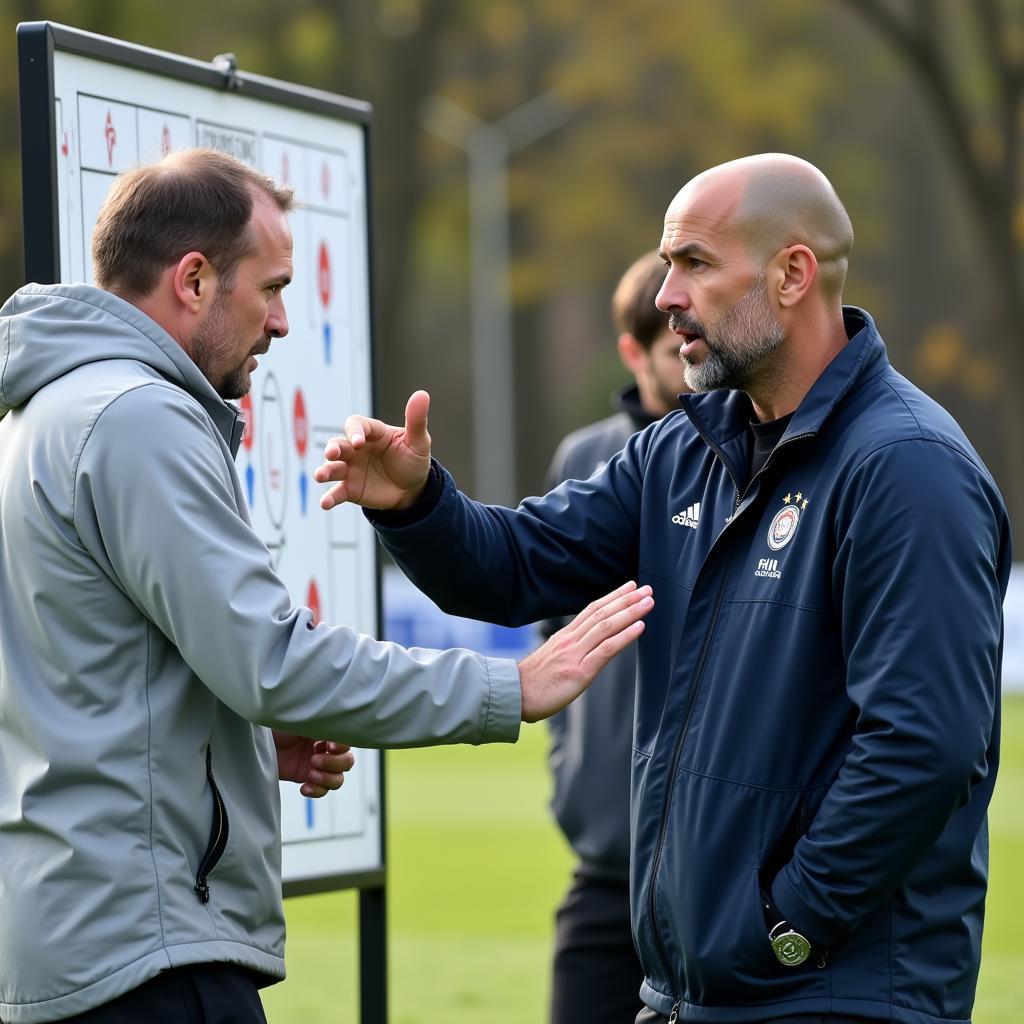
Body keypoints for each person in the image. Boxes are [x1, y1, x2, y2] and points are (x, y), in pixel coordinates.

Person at [316, 153, 1011, 1024]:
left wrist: (791, 923)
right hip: (689, 996)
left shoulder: (908, 469)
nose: (665, 297)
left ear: (793, 274)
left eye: (694, 263)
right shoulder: (682, 450)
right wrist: (419, 502)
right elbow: (516, 565)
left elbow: (925, 744)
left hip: (835, 995)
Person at [0, 148, 654, 1024]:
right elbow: (271, 662)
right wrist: (511, 687)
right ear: (193, 280)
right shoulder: (138, 417)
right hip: (146, 954)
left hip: (77, 929)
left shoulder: (45, 411)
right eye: (269, 289)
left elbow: (76, 685)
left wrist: (233, 750)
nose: (279, 323)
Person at [541, 250, 686, 1024]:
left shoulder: (756, 455)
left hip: (708, 877)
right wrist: (574, 775)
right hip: (605, 863)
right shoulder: (583, 458)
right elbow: (552, 626)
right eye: (673, 350)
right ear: (634, 353)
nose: (694, 362)